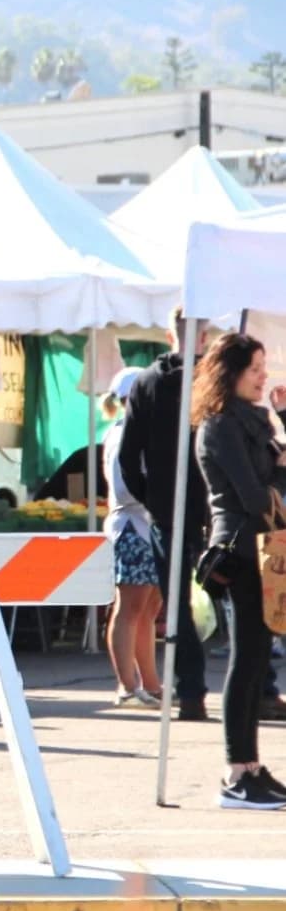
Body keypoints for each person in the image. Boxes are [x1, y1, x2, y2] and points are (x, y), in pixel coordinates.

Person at [192, 332, 286, 810]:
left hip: (263, 550)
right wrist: (277, 469)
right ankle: (235, 773)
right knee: (246, 660)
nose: (263, 376)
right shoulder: (220, 425)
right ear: (230, 372)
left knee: (257, 659)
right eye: (255, 368)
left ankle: (250, 766)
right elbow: (253, 495)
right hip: (239, 552)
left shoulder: (254, 420)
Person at [118, 308, 210, 721]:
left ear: (169, 332)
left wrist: (152, 498)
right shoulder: (212, 379)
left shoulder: (147, 382)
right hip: (212, 505)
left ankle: (191, 691)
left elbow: (127, 455)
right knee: (231, 602)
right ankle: (252, 686)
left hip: (168, 509)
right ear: (203, 335)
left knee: (176, 604)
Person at [101, 367, 163, 708]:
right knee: (131, 607)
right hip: (132, 527)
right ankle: (127, 685)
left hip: (146, 526)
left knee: (149, 608)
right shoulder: (123, 434)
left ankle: (151, 684)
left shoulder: (139, 433)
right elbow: (126, 488)